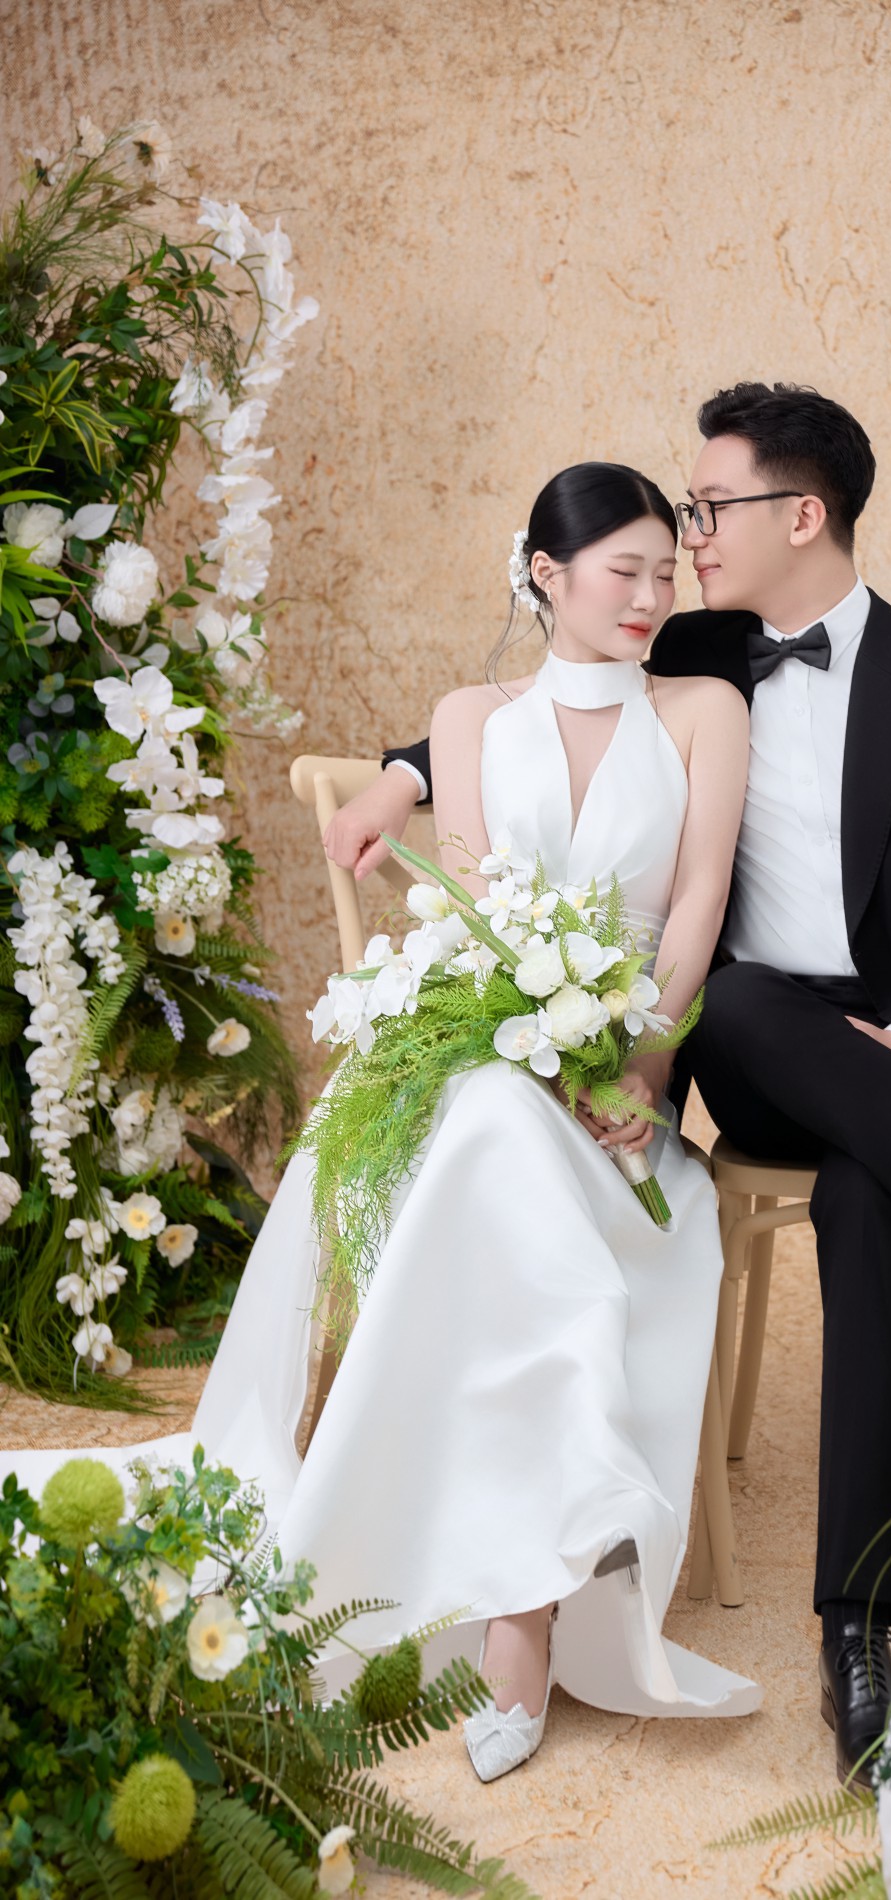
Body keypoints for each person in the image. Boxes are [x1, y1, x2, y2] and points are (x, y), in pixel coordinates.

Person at [331, 384, 891, 1788]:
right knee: (750, 993)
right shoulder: (694, 647)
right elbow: (547, 691)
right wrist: (404, 773)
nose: (686, 539)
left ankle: (858, 1634)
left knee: (873, 1198)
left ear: (803, 514)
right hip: (764, 1043)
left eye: (709, 511)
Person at [3, 461, 760, 1781]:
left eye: (662, 572)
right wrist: (537, 1056)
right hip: (484, 1060)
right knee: (488, 1125)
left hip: (623, 1103)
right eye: (623, 573)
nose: (651, 597)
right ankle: (521, 1615)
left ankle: (524, 1605)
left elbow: (695, 903)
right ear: (546, 575)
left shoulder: (704, 710)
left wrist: (641, 1073)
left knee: (498, 1152)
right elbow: (478, 913)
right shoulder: (467, 720)